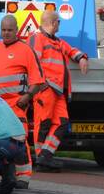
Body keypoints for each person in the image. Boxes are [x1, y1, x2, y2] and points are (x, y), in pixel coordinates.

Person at [0, 14, 46, 188]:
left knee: (18, 140)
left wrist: (27, 96)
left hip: (15, 104)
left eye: (10, 30)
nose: (6, 33)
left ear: (17, 30)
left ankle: (23, 177)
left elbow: (38, 80)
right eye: (3, 30)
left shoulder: (26, 50)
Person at [27, 9, 89, 172]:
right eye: (58, 22)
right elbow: (32, 63)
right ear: (53, 23)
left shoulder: (57, 41)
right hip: (45, 89)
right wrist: (42, 84)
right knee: (44, 124)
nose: (59, 24)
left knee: (62, 123)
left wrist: (82, 57)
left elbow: (71, 51)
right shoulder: (37, 38)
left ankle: (45, 156)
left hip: (59, 91)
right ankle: (42, 157)